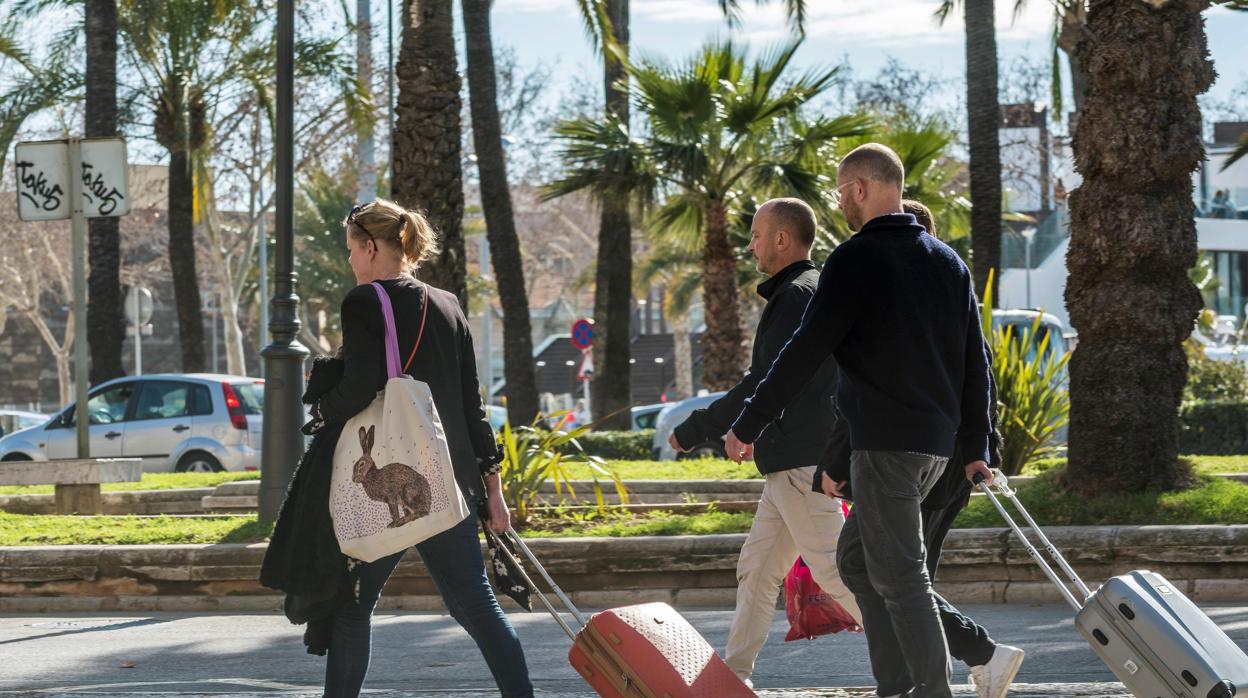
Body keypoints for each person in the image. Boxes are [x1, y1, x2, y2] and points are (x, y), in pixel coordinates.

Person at [725, 143, 994, 698]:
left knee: (901, 575)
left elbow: (802, 353)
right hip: (934, 449)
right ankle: (894, 685)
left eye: (842, 192)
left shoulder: (854, 260)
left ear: (862, 189)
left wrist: (747, 423)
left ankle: (929, 690)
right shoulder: (947, 262)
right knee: (854, 558)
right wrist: (974, 447)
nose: (841, 203)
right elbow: (976, 364)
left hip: (886, 448)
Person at [306, 199, 533, 698]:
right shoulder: (448, 304)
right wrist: (494, 491)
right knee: (477, 607)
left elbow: (362, 384)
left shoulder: (363, 302)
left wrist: (322, 406)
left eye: (350, 250)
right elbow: (473, 407)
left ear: (370, 247)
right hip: (446, 482)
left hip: (387, 482)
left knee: (352, 610)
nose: (349, 260)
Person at [814, 199, 1025, 698]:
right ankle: (909, 680)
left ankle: (959, 665)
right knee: (873, 566)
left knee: (897, 576)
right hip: (937, 461)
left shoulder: (921, 298)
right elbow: (978, 380)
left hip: (918, 463)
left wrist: (979, 452)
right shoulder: (944, 293)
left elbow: (880, 390)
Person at [668, 198, 861, 685]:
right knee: (756, 570)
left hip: (802, 461)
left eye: (756, 236)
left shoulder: (796, 294)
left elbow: (770, 379)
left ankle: (932, 661)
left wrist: (701, 428)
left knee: (841, 574)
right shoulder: (812, 289)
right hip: (792, 458)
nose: (749, 246)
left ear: (781, 239)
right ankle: (733, 678)